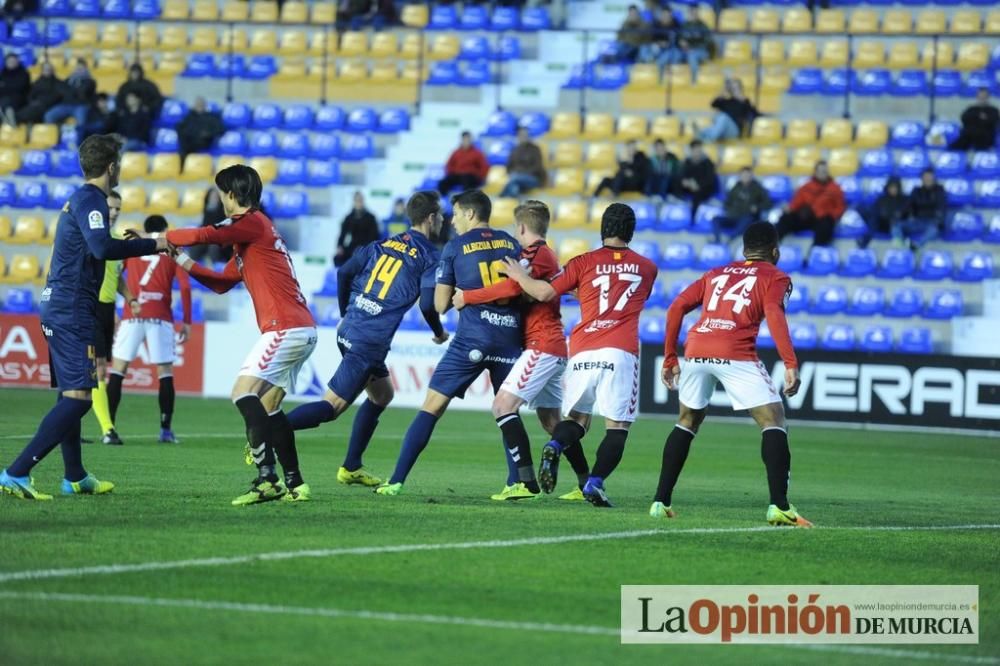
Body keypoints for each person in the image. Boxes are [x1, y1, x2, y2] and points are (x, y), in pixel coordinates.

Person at [0, 134, 167, 501]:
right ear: (111, 167)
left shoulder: (80, 199)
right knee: (79, 400)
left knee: (69, 395)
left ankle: (74, 476)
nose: (120, 169)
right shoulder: (92, 199)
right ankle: (16, 471)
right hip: (71, 307)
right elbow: (102, 247)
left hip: (63, 304)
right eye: (119, 163)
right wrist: (152, 244)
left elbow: (95, 245)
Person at [166, 165, 318, 505]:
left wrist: (163, 239)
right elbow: (222, 283)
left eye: (222, 193)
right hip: (301, 327)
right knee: (269, 405)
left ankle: (267, 478)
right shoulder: (253, 237)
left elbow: (208, 235)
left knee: (241, 392)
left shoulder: (250, 222)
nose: (220, 200)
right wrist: (181, 260)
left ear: (232, 195)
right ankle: (296, 483)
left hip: (285, 327)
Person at [653, 222, 812, 528]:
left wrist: (670, 355)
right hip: (735, 350)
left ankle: (660, 501)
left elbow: (675, 308)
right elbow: (774, 313)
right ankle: (779, 506)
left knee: (687, 420)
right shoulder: (776, 276)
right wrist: (790, 362)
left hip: (697, 347)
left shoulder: (716, 273)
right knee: (773, 420)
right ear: (775, 252)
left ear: (744, 250)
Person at [286, 191, 448, 488]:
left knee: (382, 395)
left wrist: (346, 311)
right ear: (430, 218)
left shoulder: (382, 243)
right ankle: (270, 429)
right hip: (368, 341)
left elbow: (344, 272)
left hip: (349, 328)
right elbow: (428, 305)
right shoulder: (429, 256)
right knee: (332, 408)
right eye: (439, 215)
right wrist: (439, 332)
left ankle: (351, 466)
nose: (442, 220)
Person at [501, 203, 658, 507]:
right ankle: (594, 484)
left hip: (583, 351)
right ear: (631, 232)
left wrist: (519, 275)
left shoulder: (581, 262)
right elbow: (626, 294)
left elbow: (545, 293)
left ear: (602, 229)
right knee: (617, 427)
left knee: (576, 419)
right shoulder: (648, 267)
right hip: (620, 351)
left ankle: (555, 443)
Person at [376, 190, 522, 496]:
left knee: (431, 407)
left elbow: (441, 304)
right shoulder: (511, 243)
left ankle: (396, 480)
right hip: (509, 338)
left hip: (472, 339)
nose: (452, 221)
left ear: (470, 214)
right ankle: (517, 481)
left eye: (456, 214)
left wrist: (460, 289)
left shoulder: (456, 246)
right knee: (508, 413)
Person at [452, 200, 567, 501]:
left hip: (543, 344)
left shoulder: (536, 254)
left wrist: (469, 296)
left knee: (502, 406)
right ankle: (586, 481)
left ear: (521, 228)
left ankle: (525, 483)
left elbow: (510, 290)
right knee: (552, 423)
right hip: (545, 344)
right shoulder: (538, 254)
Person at [107, 215, 192, 445]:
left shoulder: (134, 246)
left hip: (132, 315)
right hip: (160, 316)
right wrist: (187, 321)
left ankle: (109, 428)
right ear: (165, 229)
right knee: (164, 372)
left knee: (118, 370)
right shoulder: (171, 246)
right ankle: (165, 430)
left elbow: (114, 273)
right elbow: (185, 286)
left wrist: (111, 306)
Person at [90, 190, 141, 446]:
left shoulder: (115, 239)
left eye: (118, 208)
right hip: (90, 305)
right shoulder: (92, 236)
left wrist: (130, 298)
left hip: (107, 308)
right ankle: (108, 430)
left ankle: (70, 428)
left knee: (93, 369)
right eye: (111, 207)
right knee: (95, 368)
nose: (114, 212)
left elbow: (116, 275)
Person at [775, 160, 845, 249]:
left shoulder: (835, 188)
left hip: (822, 219)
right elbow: (796, 203)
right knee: (786, 218)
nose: (822, 174)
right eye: (820, 171)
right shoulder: (806, 187)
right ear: (815, 172)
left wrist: (830, 215)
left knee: (827, 224)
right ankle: (773, 245)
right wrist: (790, 209)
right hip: (807, 217)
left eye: (824, 171)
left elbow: (840, 207)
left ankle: (815, 252)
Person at [713, 166, 772, 243]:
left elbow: (768, 204)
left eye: (748, 175)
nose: (746, 177)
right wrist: (730, 209)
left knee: (747, 220)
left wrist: (757, 207)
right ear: (740, 176)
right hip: (733, 216)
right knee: (715, 219)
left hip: (747, 217)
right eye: (744, 175)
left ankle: (731, 239)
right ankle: (717, 241)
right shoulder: (735, 187)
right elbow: (727, 202)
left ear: (752, 176)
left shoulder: (758, 188)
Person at [857, 176, 909, 249]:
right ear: (887, 187)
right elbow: (875, 211)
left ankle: (864, 240)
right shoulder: (881, 199)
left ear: (899, 188)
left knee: (877, 219)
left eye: (895, 187)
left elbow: (905, 214)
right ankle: (864, 241)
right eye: (891, 187)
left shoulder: (904, 199)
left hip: (896, 225)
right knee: (869, 213)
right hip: (882, 224)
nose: (893, 189)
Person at [902, 168, 948, 250]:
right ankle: (901, 243)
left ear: (934, 178)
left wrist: (938, 220)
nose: (928, 180)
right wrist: (906, 215)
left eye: (930, 177)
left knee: (933, 230)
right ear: (922, 179)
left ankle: (917, 246)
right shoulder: (916, 191)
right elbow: (907, 206)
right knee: (896, 225)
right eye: (926, 177)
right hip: (917, 221)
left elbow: (942, 207)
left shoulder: (940, 191)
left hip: (931, 222)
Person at [43, 58, 96, 129]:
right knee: (49, 116)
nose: (79, 70)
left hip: (81, 105)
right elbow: (62, 90)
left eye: (81, 68)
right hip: (65, 104)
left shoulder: (90, 81)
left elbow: (83, 91)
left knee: (81, 121)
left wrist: (71, 90)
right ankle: (56, 136)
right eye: (77, 68)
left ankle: (80, 138)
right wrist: (72, 90)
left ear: (86, 69)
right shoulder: (69, 79)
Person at [334, 191, 380, 267]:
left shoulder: (370, 218)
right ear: (354, 202)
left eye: (360, 200)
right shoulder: (349, 218)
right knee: (338, 258)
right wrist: (340, 246)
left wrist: (365, 248)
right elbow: (342, 234)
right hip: (352, 247)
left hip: (366, 247)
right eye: (357, 200)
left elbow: (374, 236)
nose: (358, 203)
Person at [676, 139, 719, 221]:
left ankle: (693, 218)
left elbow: (709, 179)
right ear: (691, 150)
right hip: (690, 186)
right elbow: (682, 175)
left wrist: (698, 185)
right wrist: (685, 181)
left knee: (697, 194)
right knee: (676, 181)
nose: (697, 152)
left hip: (703, 188)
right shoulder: (687, 161)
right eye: (695, 150)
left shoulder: (707, 163)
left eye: (699, 149)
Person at [187, 188, 231, 264]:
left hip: (219, 239)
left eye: (215, 196)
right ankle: (191, 266)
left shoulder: (224, 211)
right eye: (212, 196)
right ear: (208, 197)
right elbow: (204, 226)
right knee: (196, 245)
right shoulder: (206, 210)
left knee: (213, 246)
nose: (213, 198)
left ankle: (214, 268)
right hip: (208, 237)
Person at [500, 127, 546, 198]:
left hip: (533, 178)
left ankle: (502, 196)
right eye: (521, 135)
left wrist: (521, 173)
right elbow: (508, 167)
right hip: (516, 178)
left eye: (525, 135)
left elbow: (537, 167)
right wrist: (514, 173)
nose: (523, 137)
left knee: (515, 179)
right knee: (515, 186)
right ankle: (512, 202)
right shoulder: (514, 150)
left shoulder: (535, 149)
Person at [176, 96, 224, 165]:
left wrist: (208, 133)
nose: (199, 106)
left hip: (203, 141)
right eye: (197, 104)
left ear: (205, 105)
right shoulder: (189, 116)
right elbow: (180, 128)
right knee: (183, 143)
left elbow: (220, 129)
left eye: (201, 104)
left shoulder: (211, 117)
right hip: (188, 141)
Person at [948, 88, 999, 152]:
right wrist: (979, 117)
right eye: (980, 96)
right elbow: (964, 118)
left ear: (988, 97)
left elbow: (993, 121)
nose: (982, 98)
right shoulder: (971, 109)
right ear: (977, 97)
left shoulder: (993, 110)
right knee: (958, 143)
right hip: (969, 136)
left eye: (984, 96)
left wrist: (975, 119)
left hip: (985, 137)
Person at [14, 61, 65, 125]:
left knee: (33, 111)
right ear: (42, 71)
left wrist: (43, 102)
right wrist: (32, 102)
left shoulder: (58, 83)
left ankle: (15, 119)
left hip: (48, 105)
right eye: (46, 69)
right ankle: (16, 120)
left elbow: (58, 96)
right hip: (36, 104)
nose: (47, 71)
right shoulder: (37, 82)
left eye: (49, 69)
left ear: (53, 71)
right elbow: (31, 94)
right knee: (29, 109)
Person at [675, 5, 713, 79]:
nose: (693, 14)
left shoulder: (703, 26)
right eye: (692, 12)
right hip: (685, 51)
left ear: (698, 13)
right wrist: (680, 43)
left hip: (701, 51)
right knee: (675, 55)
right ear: (689, 13)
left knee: (692, 56)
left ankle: (694, 80)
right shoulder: (684, 25)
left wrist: (692, 48)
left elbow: (707, 42)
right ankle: (677, 80)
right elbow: (678, 38)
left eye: (695, 12)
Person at [0, 52, 30, 126]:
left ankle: (10, 123)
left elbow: (19, 88)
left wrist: (5, 86)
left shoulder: (24, 73)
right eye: (9, 61)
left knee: (6, 104)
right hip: (4, 98)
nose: (11, 63)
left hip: (19, 98)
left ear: (17, 62)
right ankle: (7, 122)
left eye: (13, 61)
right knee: (4, 103)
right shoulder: (3, 73)